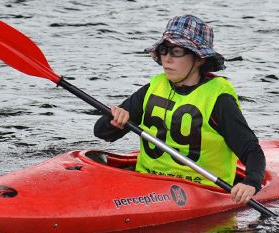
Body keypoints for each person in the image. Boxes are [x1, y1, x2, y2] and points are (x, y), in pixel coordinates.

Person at [93, 15, 266, 205]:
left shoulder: (218, 99)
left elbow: (251, 150)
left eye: (176, 51)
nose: (167, 58)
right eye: (163, 50)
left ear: (199, 59)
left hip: (200, 190)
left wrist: (251, 182)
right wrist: (115, 121)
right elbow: (102, 132)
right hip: (147, 185)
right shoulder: (153, 88)